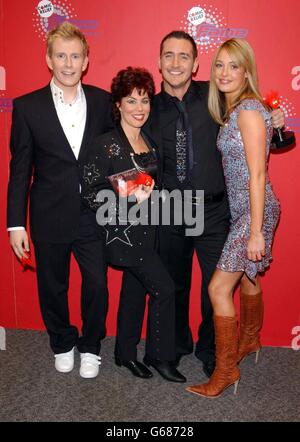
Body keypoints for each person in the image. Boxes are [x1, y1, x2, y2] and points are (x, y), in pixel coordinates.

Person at [117, 31, 285, 378]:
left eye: (183, 56)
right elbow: (121, 144)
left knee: (215, 285)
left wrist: (276, 117)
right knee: (173, 285)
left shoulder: (217, 94)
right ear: (159, 61)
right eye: (168, 55)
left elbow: (253, 115)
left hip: (214, 209)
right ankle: (174, 348)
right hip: (170, 208)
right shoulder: (146, 106)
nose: (175, 63)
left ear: (195, 64)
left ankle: (212, 352)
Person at [7, 21, 113, 378]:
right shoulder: (27, 107)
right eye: (61, 56)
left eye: (76, 56)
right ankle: (62, 342)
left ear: (86, 61)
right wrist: (15, 223)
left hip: (93, 215)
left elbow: (118, 152)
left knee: (97, 284)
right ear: (49, 59)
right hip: (49, 214)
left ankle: (91, 346)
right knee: (52, 286)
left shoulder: (103, 102)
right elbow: (20, 169)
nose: (69, 63)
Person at [186, 38, 281, 398]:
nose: (225, 73)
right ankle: (251, 340)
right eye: (220, 65)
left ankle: (225, 371)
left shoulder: (249, 111)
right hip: (243, 209)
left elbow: (258, 174)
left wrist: (255, 231)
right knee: (248, 277)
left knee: (216, 287)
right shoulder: (235, 110)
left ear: (247, 71)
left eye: (234, 66)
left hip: (254, 210)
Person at [81, 67, 186, 383]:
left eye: (144, 100)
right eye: (131, 101)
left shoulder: (148, 140)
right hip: (122, 237)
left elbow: (153, 185)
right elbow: (90, 192)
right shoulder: (106, 143)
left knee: (134, 291)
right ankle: (159, 356)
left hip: (149, 230)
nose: (139, 108)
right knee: (165, 290)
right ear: (118, 105)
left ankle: (125, 354)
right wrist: (128, 197)